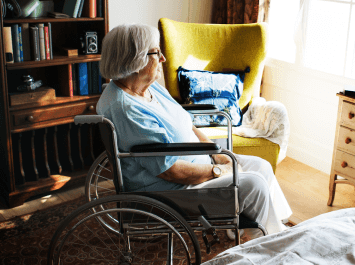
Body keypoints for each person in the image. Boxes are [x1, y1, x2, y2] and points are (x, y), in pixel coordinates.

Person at [96, 24, 291, 236]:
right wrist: (218, 171)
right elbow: (170, 171)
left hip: (198, 170)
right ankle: (270, 242)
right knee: (253, 184)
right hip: (174, 191)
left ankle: (273, 226)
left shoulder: (150, 88)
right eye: (156, 52)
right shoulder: (126, 109)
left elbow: (188, 124)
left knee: (260, 166)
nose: (163, 58)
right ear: (134, 60)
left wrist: (218, 156)